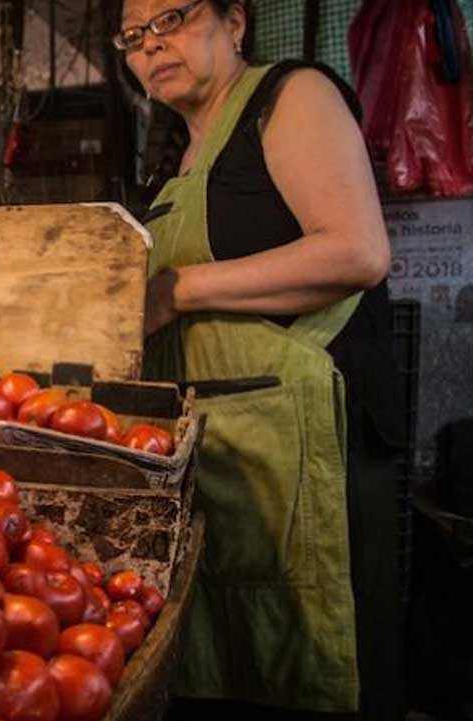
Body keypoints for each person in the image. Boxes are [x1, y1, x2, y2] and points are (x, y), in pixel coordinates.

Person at [113, 0, 407, 718]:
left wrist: (178, 288)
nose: (153, 45)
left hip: (308, 449)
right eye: (134, 36)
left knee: (313, 652)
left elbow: (358, 250)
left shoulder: (289, 97)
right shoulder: (170, 159)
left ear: (234, 24)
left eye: (173, 18)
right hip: (222, 453)